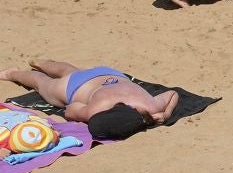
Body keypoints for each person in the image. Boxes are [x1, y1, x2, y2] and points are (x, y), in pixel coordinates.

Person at [0, 60, 178, 139]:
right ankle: (12, 73)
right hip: (76, 86)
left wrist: (166, 113)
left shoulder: (150, 106)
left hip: (109, 74)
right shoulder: (94, 110)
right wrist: (82, 114)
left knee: (71, 72)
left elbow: (172, 94)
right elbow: (71, 109)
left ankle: (42, 63)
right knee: (41, 83)